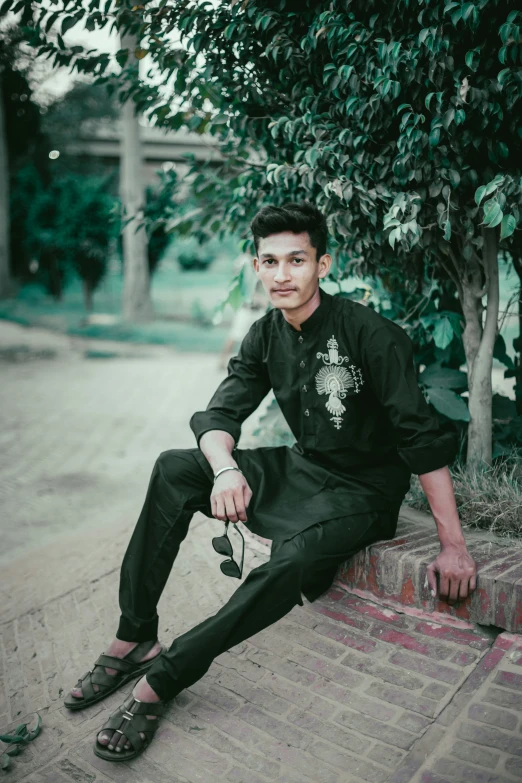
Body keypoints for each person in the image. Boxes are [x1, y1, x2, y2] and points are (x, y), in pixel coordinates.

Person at [65, 201, 478, 762]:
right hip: (301, 470)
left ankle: (163, 678)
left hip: (363, 493)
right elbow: (217, 417)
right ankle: (134, 635)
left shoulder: (373, 336)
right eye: (270, 261)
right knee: (173, 466)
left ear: (322, 264)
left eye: (296, 260)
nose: (282, 275)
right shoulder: (266, 334)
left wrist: (453, 546)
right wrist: (226, 469)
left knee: (291, 562)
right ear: (256, 266)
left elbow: (421, 442)